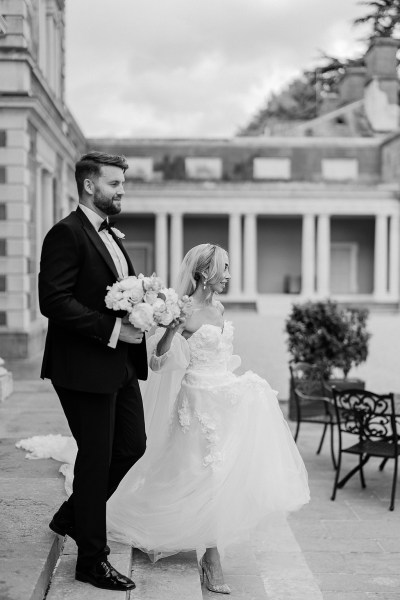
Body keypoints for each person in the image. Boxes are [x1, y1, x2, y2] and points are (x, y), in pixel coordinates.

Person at [106, 243, 310, 594]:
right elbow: (156, 361)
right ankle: (212, 558)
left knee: (222, 473)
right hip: (197, 400)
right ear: (203, 272)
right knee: (205, 473)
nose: (229, 274)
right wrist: (172, 328)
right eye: (224, 267)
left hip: (224, 396)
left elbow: (222, 354)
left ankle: (204, 548)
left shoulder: (218, 307)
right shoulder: (185, 311)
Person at [38, 151, 148, 592]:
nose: (122, 190)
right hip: (82, 367)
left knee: (132, 445)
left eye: (123, 183)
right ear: (89, 185)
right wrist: (113, 330)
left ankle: (71, 516)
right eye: (115, 183)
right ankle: (91, 561)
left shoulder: (111, 235)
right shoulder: (65, 233)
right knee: (96, 457)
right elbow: (54, 300)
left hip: (119, 366)